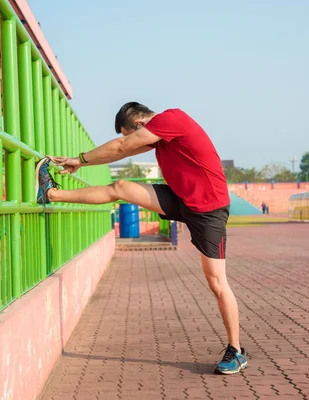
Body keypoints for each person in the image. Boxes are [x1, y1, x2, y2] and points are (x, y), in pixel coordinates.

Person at [35, 102, 248, 374]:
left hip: (209, 209)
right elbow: (121, 151)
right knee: (120, 187)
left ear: (139, 125)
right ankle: (50, 194)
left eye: (129, 134)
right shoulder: (158, 136)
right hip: (181, 198)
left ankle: (236, 350)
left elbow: (123, 147)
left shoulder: (172, 119)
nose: (130, 140)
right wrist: (81, 162)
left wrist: (81, 158)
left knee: (217, 282)